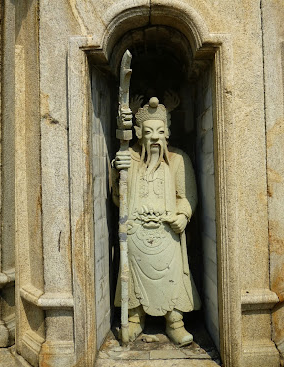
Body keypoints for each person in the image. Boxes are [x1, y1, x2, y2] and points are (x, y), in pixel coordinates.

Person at [111, 97, 200, 346]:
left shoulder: (178, 161)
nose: (154, 138)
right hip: (137, 232)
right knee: (134, 280)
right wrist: (117, 170)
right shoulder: (130, 158)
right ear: (139, 133)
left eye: (159, 132)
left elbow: (187, 196)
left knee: (173, 278)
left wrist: (183, 215)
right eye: (148, 132)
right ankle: (135, 318)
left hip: (167, 233)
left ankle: (175, 322)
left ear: (167, 133)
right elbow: (119, 199)